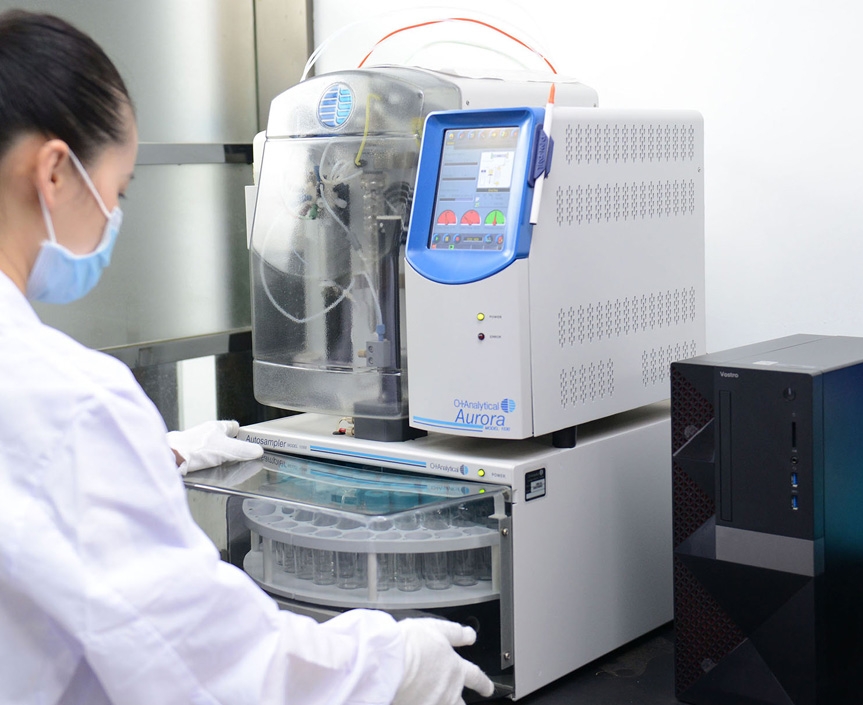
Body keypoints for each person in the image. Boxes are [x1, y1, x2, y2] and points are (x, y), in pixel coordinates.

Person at [0, 10, 495, 705]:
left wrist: (152, 453)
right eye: (118, 190)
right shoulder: (70, 401)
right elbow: (214, 661)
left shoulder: (47, 399)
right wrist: (393, 662)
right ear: (55, 172)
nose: (114, 216)